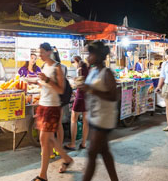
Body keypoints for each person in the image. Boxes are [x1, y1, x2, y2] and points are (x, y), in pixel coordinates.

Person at [79, 41, 119, 181]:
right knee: (104, 151)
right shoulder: (93, 71)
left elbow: (114, 96)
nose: (88, 57)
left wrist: (91, 90)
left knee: (91, 153)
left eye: (90, 54)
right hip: (94, 116)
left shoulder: (106, 73)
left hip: (104, 118)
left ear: (98, 56)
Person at [33, 43, 73, 181]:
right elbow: (46, 85)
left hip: (52, 106)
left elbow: (61, 90)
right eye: (39, 52)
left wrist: (47, 79)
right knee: (48, 139)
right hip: (43, 105)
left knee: (45, 140)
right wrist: (38, 82)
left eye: (42, 52)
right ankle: (67, 159)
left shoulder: (58, 68)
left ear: (49, 52)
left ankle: (43, 175)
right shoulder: (44, 66)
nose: (40, 55)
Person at [65, 56, 89, 151]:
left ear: (76, 61)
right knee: (85, 121)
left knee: (74, 119)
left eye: (73, 63)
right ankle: (83, 143)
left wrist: (74, 81)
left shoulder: (79, 69)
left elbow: (80, 84)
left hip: (81, 96)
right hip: (88, 96)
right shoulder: (88, 68)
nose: (74, 66)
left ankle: (73, 143)